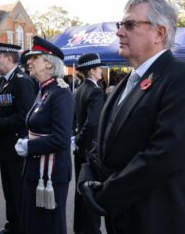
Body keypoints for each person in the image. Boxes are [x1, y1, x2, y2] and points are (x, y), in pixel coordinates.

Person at [78, 0, 185, 234]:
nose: (119, 32)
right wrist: (86, 176)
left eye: (129, 25)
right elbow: (104, 139)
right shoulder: (125, 83)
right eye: (120, 25)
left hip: (160, 220)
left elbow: (166, 153)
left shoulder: (183, 78)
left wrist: (108, 193)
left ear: (159, 33)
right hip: (123, 220)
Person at [14, 36, 74, 234]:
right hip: (35, 168)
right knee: (33, 223)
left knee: (49, 226)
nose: (29, 62)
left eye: (35, 58)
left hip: (51, 173)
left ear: (49, 62)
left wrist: (29, 146)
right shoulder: (44, 91)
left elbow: (61, 138)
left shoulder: (61, 93)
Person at [0, 42, 36, 234]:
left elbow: (25, 116)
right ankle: (13, 225)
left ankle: (23, 228)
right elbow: (0, 109)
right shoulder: (3, 81)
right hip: (6, 146)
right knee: (9, 190)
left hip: (18, 146)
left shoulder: (21, 81)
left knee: (18, 191)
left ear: (9, 57)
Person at [73, 53, 105, 234]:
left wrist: (77, 139)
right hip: (90, 150)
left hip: (80, 149)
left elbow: (77, 119)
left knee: (81, 195)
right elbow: (93, 123)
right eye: (99, 68)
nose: (101, 71)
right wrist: (81, 139)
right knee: (91, 195)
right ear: (92, 71)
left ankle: (81, 230)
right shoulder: (94, 91)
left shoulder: (80, 88)